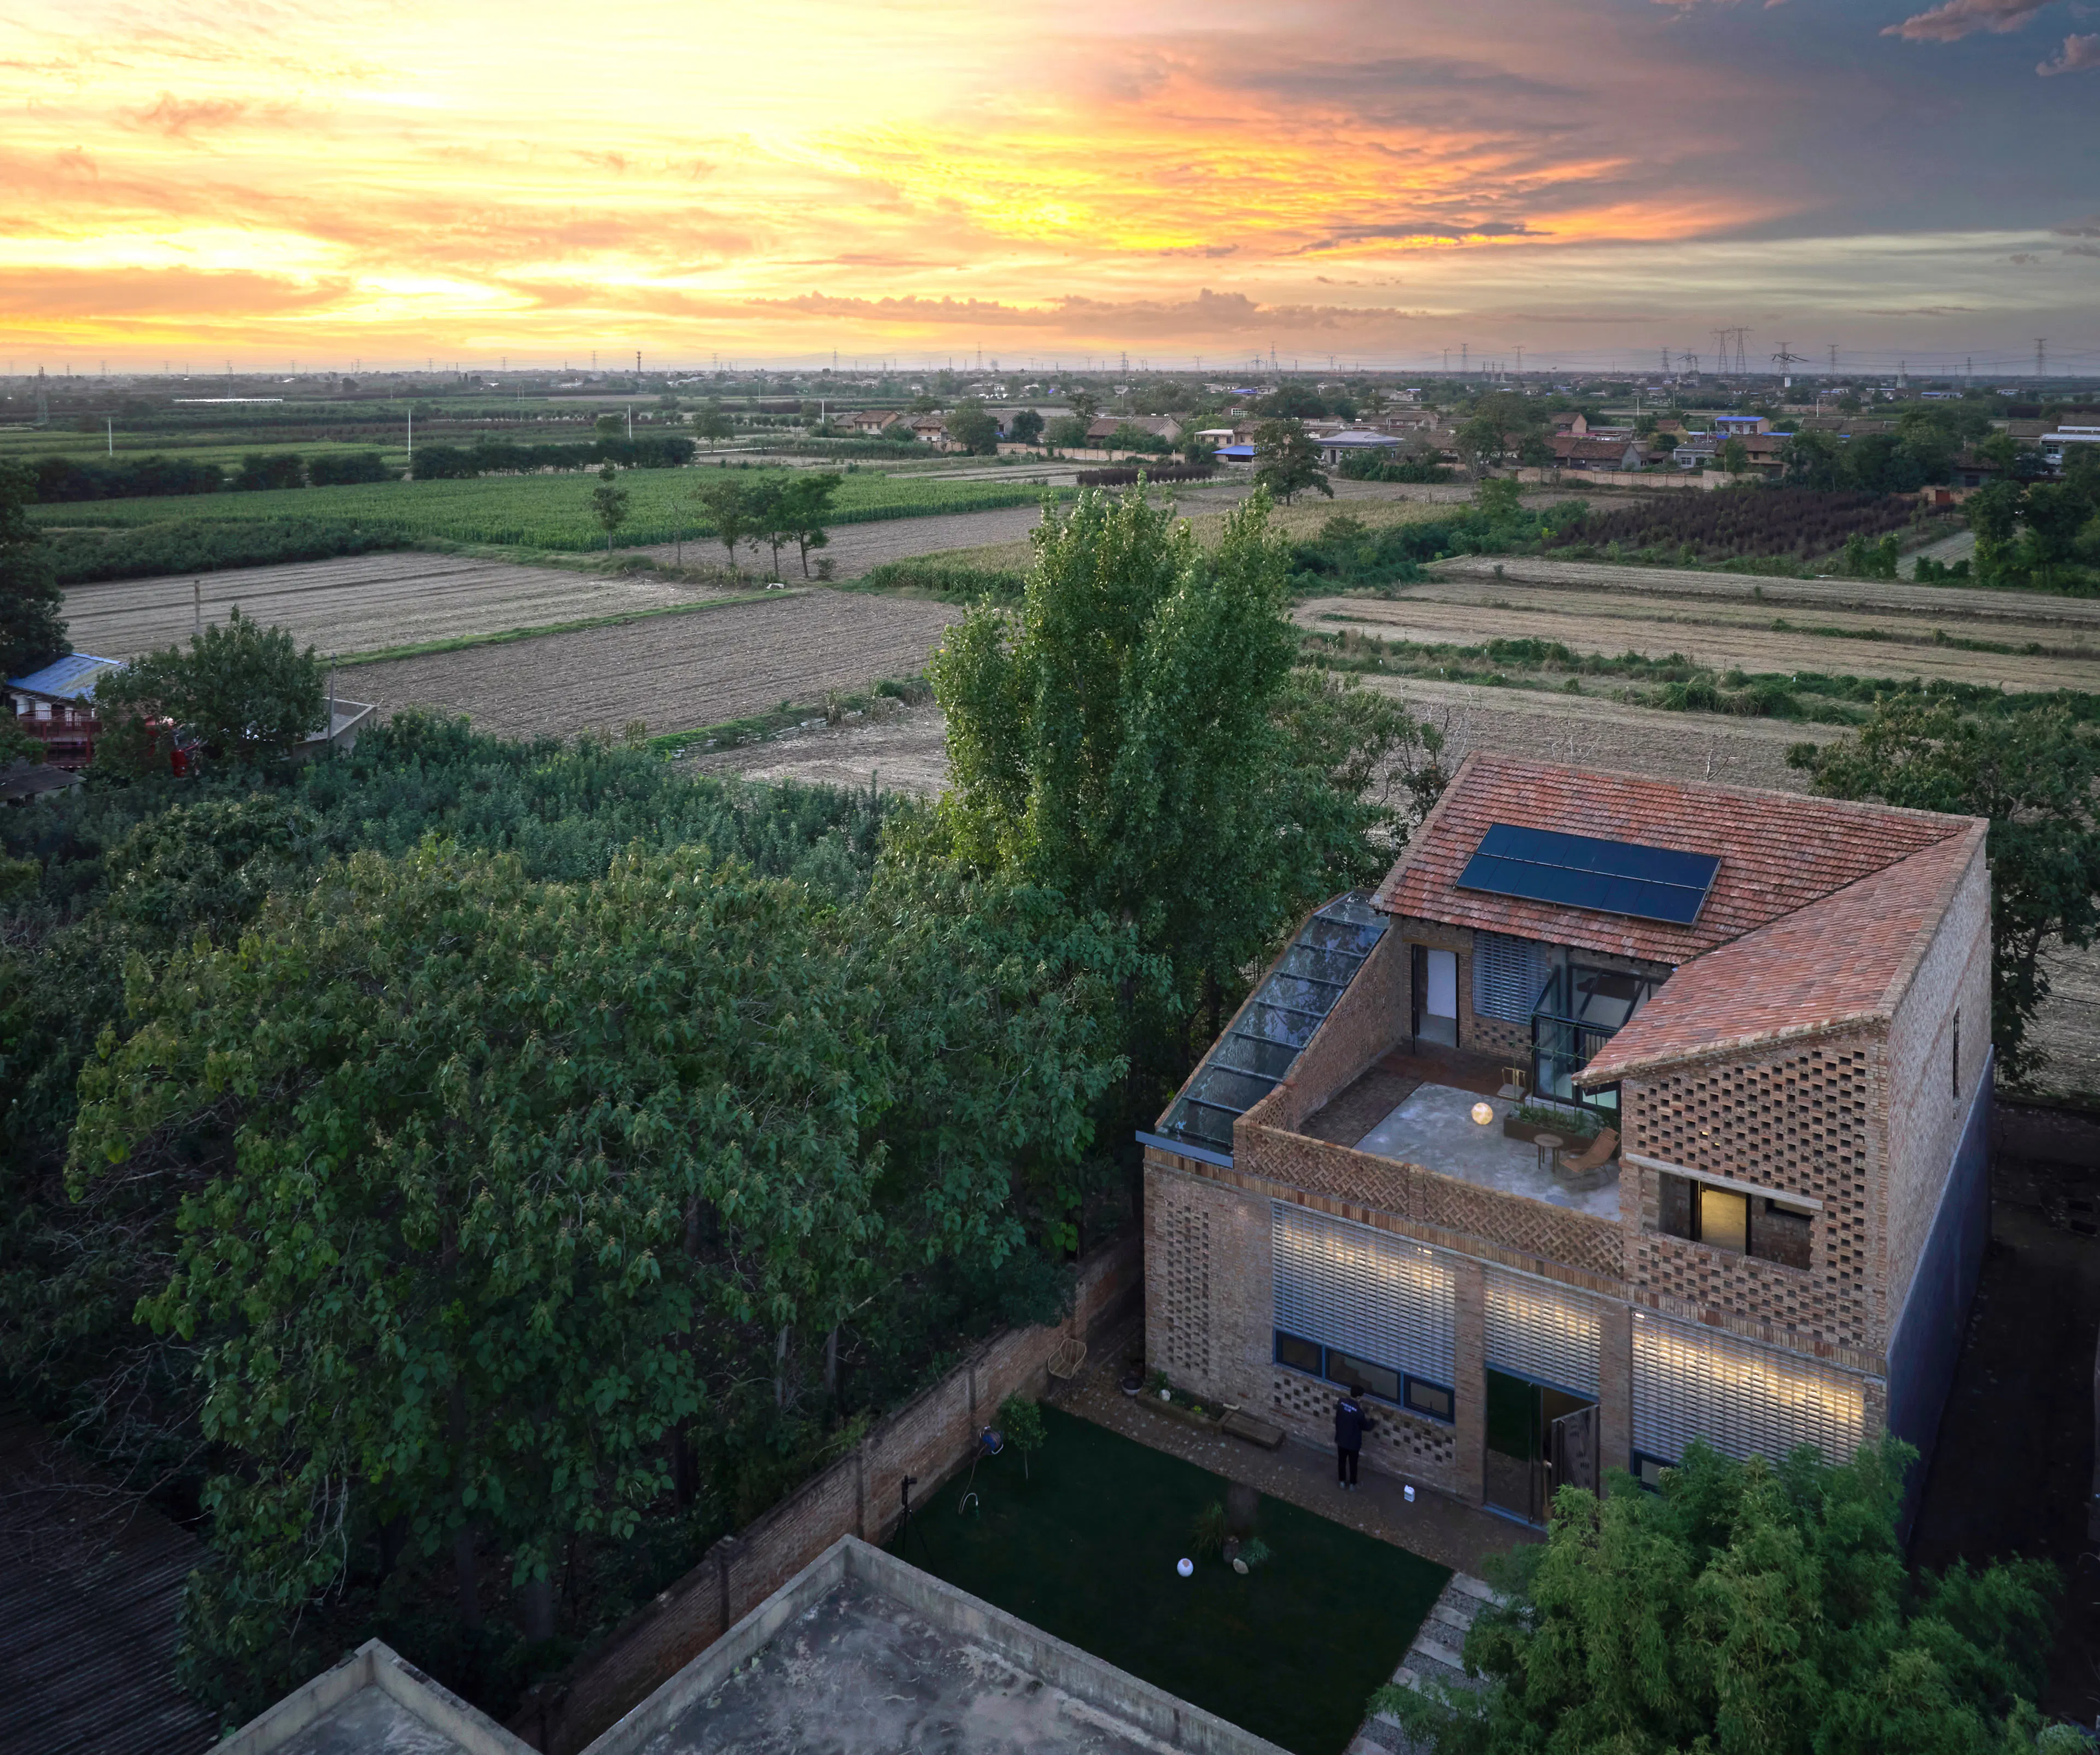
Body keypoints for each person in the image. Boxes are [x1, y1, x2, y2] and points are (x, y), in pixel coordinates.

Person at [1334, 1385, 1369, 1489]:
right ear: (1359, 1397)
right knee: (1353, 1464)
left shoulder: (1341, 1402)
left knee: (1342, 1461)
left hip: (1341, 1439)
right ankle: (1352, 1484)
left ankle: (1342, 1481)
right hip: (1353, 1443)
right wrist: (1373, 1421)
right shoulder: (1359, 1412)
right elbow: (1365, 1427)